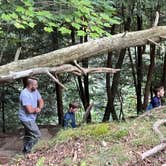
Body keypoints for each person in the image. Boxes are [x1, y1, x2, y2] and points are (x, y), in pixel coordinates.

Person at [19, 78, 44, 153]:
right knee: (37, 135)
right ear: (30, 85)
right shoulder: (24, 94)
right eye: (36, 85)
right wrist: (36, 109)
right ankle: (29, 151)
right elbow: (29, 110)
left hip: (31, 118)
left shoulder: (35, 91)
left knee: (28, 135)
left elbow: (41, 100)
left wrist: (39, 107)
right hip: (26, 119)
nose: (37, 86)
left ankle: (24, 151)